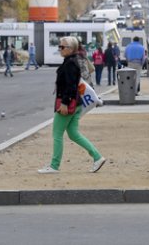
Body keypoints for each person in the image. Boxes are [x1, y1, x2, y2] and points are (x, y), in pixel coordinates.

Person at [38, 36, 106, 174]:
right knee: (74, 134)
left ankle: (54, 166)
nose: (60, 49)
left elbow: (70, 85)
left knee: (57, 134)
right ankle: (97, 157)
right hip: (76, 104)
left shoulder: (70, 63)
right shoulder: (73, 61)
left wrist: (64, 103)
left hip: (68, 104)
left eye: (62, 47)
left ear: (71, 48)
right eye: (60, 46)